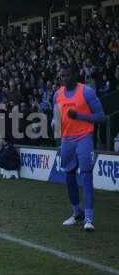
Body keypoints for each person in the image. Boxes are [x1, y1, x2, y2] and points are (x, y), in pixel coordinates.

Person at [53, 66, 106, 232]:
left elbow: (101, 117)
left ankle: (89, 218)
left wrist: (79, 116)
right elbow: (56, 118)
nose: (65, 78)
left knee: (86, 175)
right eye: (62, 75)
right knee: (69, 175)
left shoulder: (87, 92)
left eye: (67, 75)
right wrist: (54, 125)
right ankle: (77, 213)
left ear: (76, 75)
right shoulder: (57, 94)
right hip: (66, 140)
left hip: (84, 137)